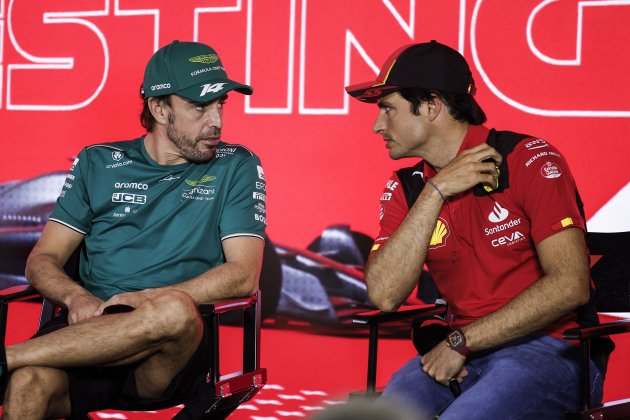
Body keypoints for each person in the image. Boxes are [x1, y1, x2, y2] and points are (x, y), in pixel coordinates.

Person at [1, 40, 267, 418]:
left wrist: (147, 300)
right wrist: (76, 298)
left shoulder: (236, 165)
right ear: (158, 108)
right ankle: (14, 364)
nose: (217, 121)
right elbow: (42, 259)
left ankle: (6, 357)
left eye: (221, 104)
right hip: (88, 332)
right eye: (199, 106)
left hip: (169, 351)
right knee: (27, 384)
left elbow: (243, 276)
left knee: (173, 309)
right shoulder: (97, 162)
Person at [345, 40, 608, 418]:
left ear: (432, 105)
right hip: (461, 353)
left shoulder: (529, 160)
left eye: (388, 108)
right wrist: (435, 192)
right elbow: (385, 296)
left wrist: (460, 340)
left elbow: (571, 285)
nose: (376, 125)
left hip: (554, 348)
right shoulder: (407, 187)